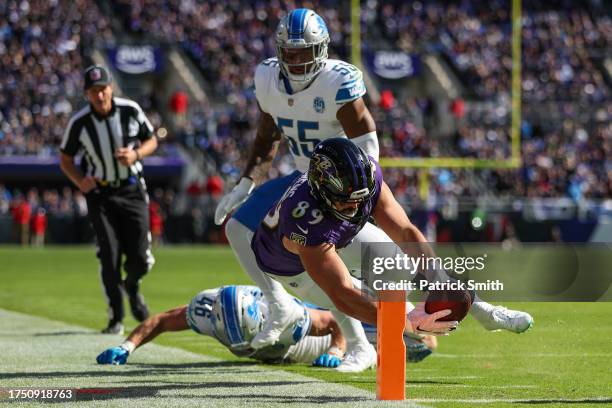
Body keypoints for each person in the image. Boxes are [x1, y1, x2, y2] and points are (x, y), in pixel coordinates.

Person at [214, 8, 532, 371]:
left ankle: (480, 310)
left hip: (342, 181)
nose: (298, 61)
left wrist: (356, 188)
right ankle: (289, 309)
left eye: (306, 52)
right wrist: (246, 182)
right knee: (243, 230)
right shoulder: (267, 78)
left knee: (397, 264)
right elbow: (265, 137)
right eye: (292, 52)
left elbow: (368, 150)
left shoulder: (338, 85)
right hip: (309, 183)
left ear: (322, 50)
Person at [96, 284, 436, 366]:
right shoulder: (205, 309)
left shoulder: (286, 318)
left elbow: (333, 322)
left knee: (421, 344)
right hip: (279, 348)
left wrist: (337, 350)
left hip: (308, 342)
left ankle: (418, 310)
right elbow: (161, 321)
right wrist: (127, 346)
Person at [59, 65, 158, 335]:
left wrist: (136, 155)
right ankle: (116, 317)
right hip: (100, 194)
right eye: (94, 91)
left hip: (131, 188)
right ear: (87, 94)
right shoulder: (79, 123)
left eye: (103, 89)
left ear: (111, 88)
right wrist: (81, 181)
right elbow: (65, 159)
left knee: (140, 257)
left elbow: (151, 140)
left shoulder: (130, 110)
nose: (100, 95)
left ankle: (133, 286)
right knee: (109, 255)